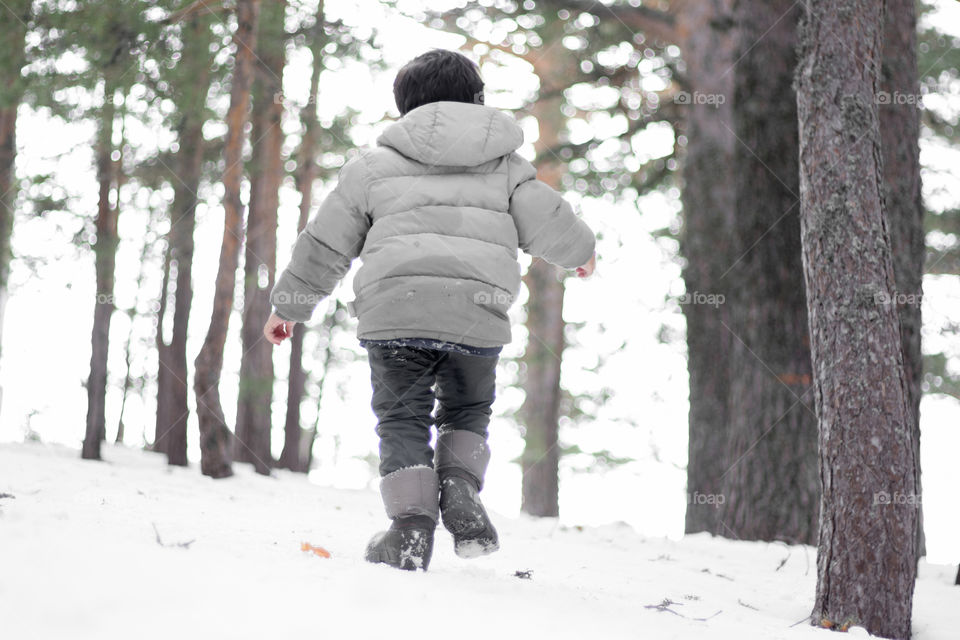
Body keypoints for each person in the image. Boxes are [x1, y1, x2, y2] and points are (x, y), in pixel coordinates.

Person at [264, 48, 596, 571]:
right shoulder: (507, 169)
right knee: (467, 412)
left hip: (397, 312)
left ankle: (410, 531)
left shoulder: (372, 167)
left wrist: (289, 305)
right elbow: (549, 219)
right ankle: (461, 489)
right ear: (478, 99)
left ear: (405, 107)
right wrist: (581, 254)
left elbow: (325, 245)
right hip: (477, 313)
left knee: (402, 419)